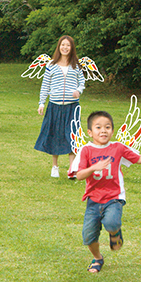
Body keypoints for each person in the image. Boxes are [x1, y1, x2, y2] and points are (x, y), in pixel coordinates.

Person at [76, 110, 141, 273]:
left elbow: (138, 159)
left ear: (112, 130)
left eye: (108, 127)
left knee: (112, 223)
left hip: (114, 198)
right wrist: (93, 168)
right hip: (93, 200)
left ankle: (115, 232)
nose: (103, 130)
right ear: (90, 132)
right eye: (98, 127)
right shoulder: (86, 151)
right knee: (88, 237)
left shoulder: (117, 148)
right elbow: (79, 175)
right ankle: (97, 258)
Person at [35, 35, 86, 179]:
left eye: (68, 45)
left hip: (72, 106)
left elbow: (82, 83)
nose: (65, 47)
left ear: (71, 48)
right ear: (59, 47)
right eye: (63, 45)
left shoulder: (76, 65)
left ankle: (72, 169)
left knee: (72, 136)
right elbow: (45, 85)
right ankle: (55, 167)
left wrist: (78, 91)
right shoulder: (51, 65)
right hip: (55, 106)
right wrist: (41, 102)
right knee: (55, 135)